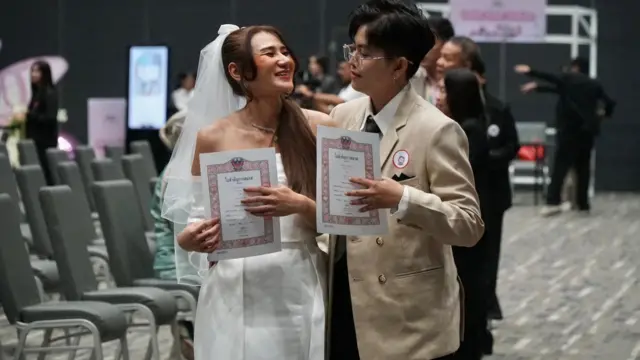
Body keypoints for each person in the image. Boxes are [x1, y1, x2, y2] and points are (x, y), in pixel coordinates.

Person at [161, 24, 335, 360]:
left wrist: (299, 204)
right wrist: (190, 238)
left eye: (285, 51)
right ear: (237, 71)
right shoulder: (213, 137)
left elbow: (349, 219)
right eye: (270, 53)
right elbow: (197, 220)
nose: (284, 60)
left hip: (299, 277)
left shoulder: (319, 126)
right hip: (234, 283)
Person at [328, 1, 485, 359]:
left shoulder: (437, 129)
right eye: (352, 48)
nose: (352, 60)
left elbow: (469, 225)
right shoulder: (342, 115)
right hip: (344, 298)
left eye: (365, 53)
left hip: (406, 314)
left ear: (399, 66)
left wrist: (403, 198)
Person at [437, 68, 492, 360]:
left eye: (445, 91)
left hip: (466, 222)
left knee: (467, 287)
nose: (439, 96)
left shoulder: (468, 130)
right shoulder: (461, 125)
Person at [516, 57, 616, 215]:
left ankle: (552, 201)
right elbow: (610, 103)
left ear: (575, 67)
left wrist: (530, 71)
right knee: (583, 168)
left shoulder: (569, 78)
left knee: (560, 167)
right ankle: (582, 204)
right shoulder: (594, 84)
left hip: (568, 131)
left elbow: (551, 78)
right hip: (586, 132)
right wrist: (603, 115)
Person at [471, 57, 520, 325]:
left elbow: (513, 146)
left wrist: (489, 157)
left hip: (493, 192)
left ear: (482, 77)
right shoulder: (453, 111)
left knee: (490, 251)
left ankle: (488, 300)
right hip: (468, 192)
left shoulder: (498, 109)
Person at [150, 109, 194, 359]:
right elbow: (187, 236)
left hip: (182, 260)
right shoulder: (178, 175)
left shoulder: (180, 168)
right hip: (176, 267)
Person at [24, 60, 59, 185]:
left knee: (47, 175)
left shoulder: (50, 93)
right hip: (35, 142)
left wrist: (29, 115)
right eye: (32, 71)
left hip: (45, 142)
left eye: (37, 71)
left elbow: (50, 118)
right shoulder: (36, 93)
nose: (33, 74)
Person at [411, 16, 455, 104]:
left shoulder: (457, 82)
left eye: (429, 42)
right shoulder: (410, 78)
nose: (421, 49)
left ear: (446, 45)